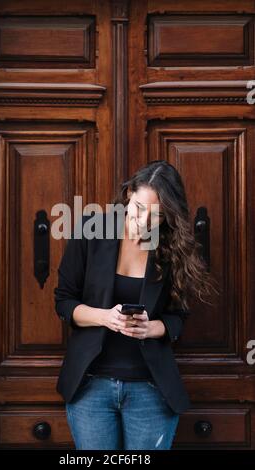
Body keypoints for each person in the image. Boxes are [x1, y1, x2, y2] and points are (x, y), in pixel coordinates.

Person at [54, 160, 218, 450]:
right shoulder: (94, 229)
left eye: (155, 217)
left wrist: (152, 327)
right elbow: (65, 302)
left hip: (150, 390)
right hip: (91, 387)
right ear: (129, 194)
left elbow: (179, 317)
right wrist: (105, 318)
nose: (142, 223)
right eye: (139, 209)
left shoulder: (172, 247)